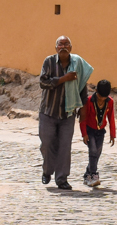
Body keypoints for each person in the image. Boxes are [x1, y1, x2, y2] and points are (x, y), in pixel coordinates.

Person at [38, 35, 93, 190]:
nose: (63, 47)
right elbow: (43, 83)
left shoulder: (77, 64)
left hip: (67, 113)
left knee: (64, 146)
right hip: (48, 111)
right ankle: (47, 171)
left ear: (71, 48)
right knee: (47, 144)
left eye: (66, 44)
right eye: (60, 44)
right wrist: (63, 79)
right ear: (56, 48)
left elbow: (82, 86)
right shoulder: (49, 62)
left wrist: (83, 109)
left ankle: (62, 178)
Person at [79, 79, 116, 187]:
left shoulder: (110, 102)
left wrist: (112, 134)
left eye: (104, 98)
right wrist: (84, 134)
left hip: (101, 131)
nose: (101, 100)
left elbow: (111, 118)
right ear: (96, 91)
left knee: (97, 153)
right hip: (90, 130)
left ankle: (87, 174)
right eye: (100, 97)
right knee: (93, 151)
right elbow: (83, 118)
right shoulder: (89, 101)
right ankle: (94, 175)